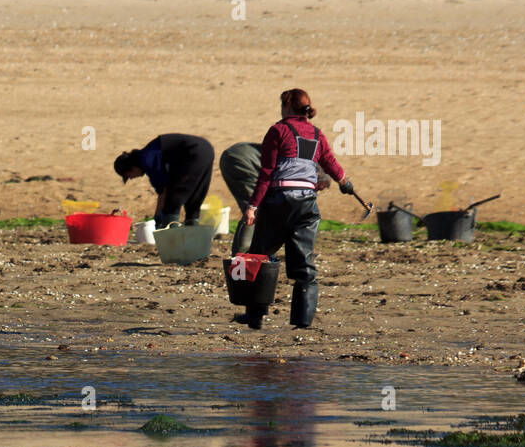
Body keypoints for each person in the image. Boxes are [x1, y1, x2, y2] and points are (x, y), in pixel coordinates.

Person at [240, 89, 353, 330]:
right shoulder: (316, 134)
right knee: (304, 264)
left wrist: (252, 206)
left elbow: (266, 173)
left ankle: (255, 316)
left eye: (282, 105)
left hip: (279, 202)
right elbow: (330, 163)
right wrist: (345, 182)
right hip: (307, 205)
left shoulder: (278, 131)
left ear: (287, 107)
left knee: (259, 255)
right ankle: (302, 322)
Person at [221, 142, 332, 255]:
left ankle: (251, 255)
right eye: (317, 188)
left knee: (259, 210)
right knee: (255, 211)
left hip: (238, 155)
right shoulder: (298, 170)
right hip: (241, 160)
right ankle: (242, 258)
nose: (314, 192)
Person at [114, 134, 214, 226]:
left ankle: (171, 234)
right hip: (207, 148)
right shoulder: (148, 152)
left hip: (193, 152)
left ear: (131, 167)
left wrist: (156, 219)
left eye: (128, 175)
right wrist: (157, 216)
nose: (131, 178)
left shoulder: (146, 160)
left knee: (174, 198)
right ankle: (193, 231)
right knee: (195, 197)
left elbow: (163, 191)